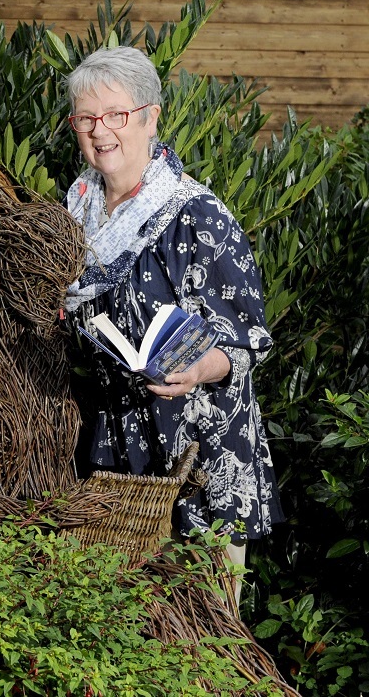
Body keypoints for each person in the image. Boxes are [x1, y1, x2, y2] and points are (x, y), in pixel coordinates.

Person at [61, 46, 283, 592]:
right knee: (121, 637)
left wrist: (198, 367)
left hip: (199, 455)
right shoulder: (76, 209)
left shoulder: (197, 215)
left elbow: (248, 339)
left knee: (202, 643)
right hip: (119, 453)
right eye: (88, 118)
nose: (102, 130)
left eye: (117, 115)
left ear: (151, 116)